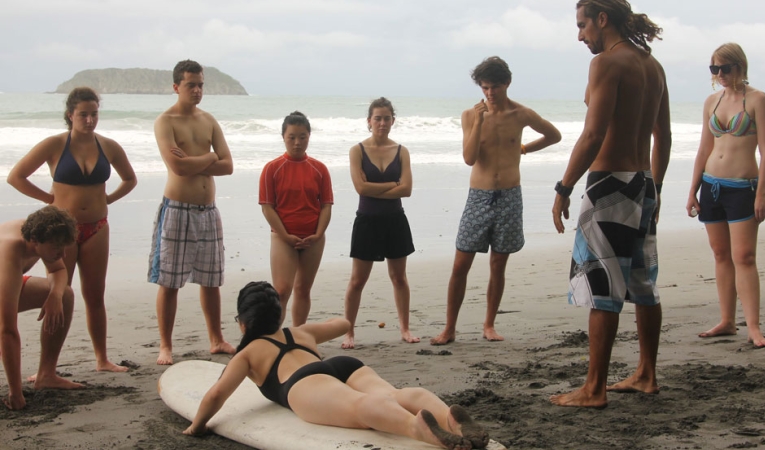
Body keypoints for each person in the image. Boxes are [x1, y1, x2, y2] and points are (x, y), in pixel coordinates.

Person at [183, 281, 490, 450]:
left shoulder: (248, 354)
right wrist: (305, 326)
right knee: (393, 393)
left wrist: (196, 427)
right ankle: (450, 418)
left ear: (242, 323)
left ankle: (416, 428)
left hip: (305, 384)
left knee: (361, 407)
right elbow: (343, 324)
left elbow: (216, 396)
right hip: (342, 365)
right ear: (279, 316)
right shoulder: (299, 332)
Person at [550, 0, 671, 408]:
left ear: (603, 19)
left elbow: (592, 135)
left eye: (582, 25)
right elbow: (664, 136)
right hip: (642, 182)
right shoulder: (652, 66)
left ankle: (594, 389)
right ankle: (646, 374)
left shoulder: (607, 63)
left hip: (610, 185)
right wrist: (654, 186)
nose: (580, 34)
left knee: (602, 287)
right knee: (641, 283)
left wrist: (564, 186)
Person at [430, 56, 562, 345]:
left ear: (507, 84)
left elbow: (554, 135)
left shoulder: (521, 114)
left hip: (510, 196)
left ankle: (489, 324)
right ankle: (449, 328)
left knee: (498, 263)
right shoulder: (470, 115)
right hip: (479, 197)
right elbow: (469, 158)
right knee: (460, 263)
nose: (489, 94)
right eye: (484, 88)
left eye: (495, 87)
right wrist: (478, 121)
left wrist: (524, 148)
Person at [7, 87, 138, 373]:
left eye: (94, 114)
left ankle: (102, 359)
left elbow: (130, 179)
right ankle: (47, 367)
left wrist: (108, 200)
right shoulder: (54, 144)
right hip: (60, 233)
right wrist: (48, 200)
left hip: (97, 228)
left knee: (95, 295)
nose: (89, 120)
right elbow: (16, 177)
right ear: (70, 115)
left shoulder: (109, 146)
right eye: (83, 115)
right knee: (59, 292)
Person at [686, 43, 765, 348]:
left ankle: (754, 327)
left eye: (725, 68)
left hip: (742, 188)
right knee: (721, 255)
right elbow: (703, 149)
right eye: (714, 69)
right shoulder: (712, 101)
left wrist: (761, 194)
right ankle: (727, 320)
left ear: (740, 66)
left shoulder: (758, 100)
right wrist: (692, 190)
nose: (720, 74)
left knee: (744, 257)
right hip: (711, 187)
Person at [149, 59, 235, 365]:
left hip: (208, 211)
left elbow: (228, 165)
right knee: (169, 281)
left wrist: (200, 158)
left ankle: (216, 339)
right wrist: (210, 156)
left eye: (200, 85)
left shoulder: (208, 120)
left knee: (212, 279)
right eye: (191, 85)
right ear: (176, 87)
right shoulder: (166, 121)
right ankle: (165, 346)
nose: (197, 90)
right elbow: (178, 167)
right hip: (177, 210)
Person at [341, 97, 418, 349]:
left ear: (393, 121)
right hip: (367, 222)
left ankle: (405, 329)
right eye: (377, 118)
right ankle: (348, 331)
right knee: (357, 281)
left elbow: (407, 190)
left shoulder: (401, 151)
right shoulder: (357, 151)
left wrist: (380, 188)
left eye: (386, 118)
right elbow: (360, 188)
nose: (382, 123)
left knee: (399, 278)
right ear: (369, 121)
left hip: (395, 221)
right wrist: (392, 185)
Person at [0, 206, 85, 410]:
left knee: (65, 295)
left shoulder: (42, 234)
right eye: (57, 248)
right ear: (35, 241)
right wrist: (16, 392)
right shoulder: (10, 249)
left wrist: (55, 296)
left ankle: (46, 374)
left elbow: (58, 270)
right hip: (4, 278)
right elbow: (8, 330)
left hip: (7, 280)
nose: (62, 253)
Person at [259, 112, 333, 327]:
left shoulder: (319, 169)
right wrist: (286, 236)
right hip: (283, 237)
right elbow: (267, 207)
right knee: (282, 290)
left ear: (309, 136)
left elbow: (326, 205)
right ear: (283, 136)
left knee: (303, 289)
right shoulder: (272, 168)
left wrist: (318, 234)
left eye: (302, 136)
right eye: (292, 137)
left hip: (313, 237)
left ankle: (298, 336)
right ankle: (275, 337)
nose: (297, 142)